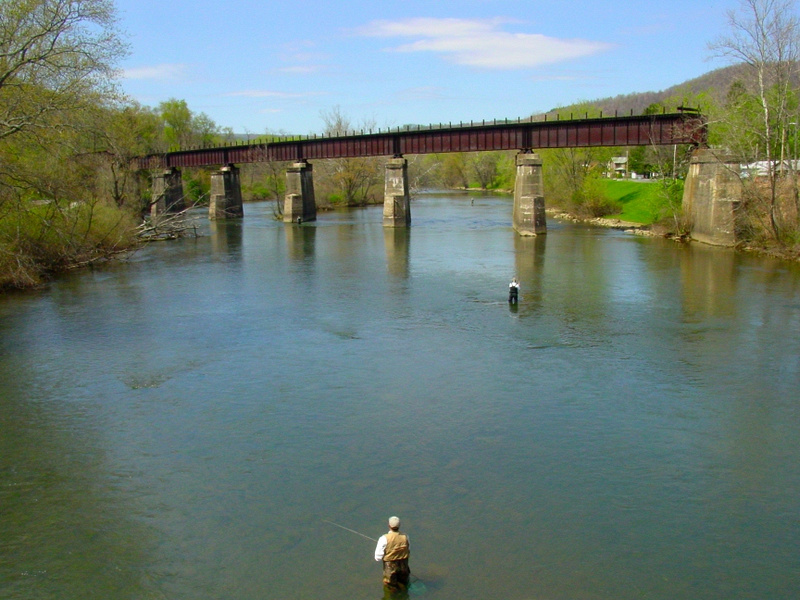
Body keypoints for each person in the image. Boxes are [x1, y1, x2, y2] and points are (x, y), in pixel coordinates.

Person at [374, 516, 410, 590]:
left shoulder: (383, 538)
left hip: (390, 567)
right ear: (399, 526)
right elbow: (408, 549)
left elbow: (377, 558)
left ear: (389, 526)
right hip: (404, 565)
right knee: (404, 583)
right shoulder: (406, 537)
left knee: (390, 586)